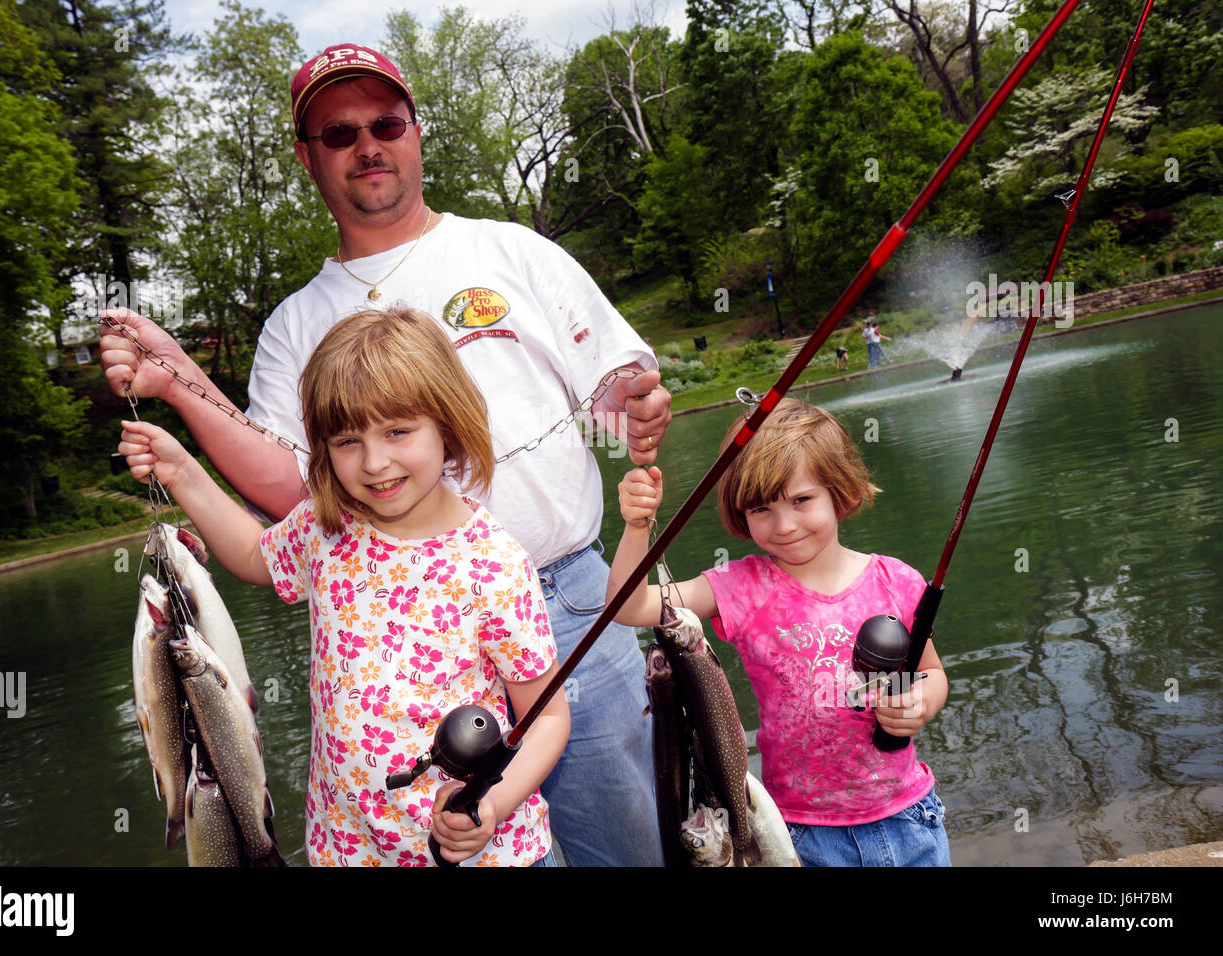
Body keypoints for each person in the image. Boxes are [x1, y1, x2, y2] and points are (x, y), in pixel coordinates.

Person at [98, 43, 668, 866]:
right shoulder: (296, 324)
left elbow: (616, 378)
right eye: (338, 133)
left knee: (624, 849)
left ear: (416, 132)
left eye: (385, 123)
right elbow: (286, 490)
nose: (367, 144)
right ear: (307, 156)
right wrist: (179, 383)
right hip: (383, 651)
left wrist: (629, 402)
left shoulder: (512, 249)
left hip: (566, 598)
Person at [118, 308, 571, 867]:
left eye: (398, 431)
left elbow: (548, 717)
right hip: (349, 849)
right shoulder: (327, 527)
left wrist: (493, 804)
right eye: (348, 440)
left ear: (448, 424)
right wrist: (181, 471)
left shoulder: (495, 565)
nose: (375, 462)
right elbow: (255, 556)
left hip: (485, 856)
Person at [606, 399, 951, 867]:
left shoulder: (897, 582)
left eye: (802, 500)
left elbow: (931, 673)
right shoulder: (743, 586)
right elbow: (631, 606)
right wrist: (636, 527)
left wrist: (919, 701)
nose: (784, 525)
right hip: (800, 835)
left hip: (908, 817)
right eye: (761, 509)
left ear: (840, 492)